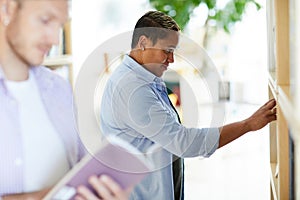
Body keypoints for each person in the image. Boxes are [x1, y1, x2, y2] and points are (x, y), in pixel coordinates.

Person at [100, 10, 277, 200]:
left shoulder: (144, 79)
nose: (172, 59)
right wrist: (248, 125)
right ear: (143, 43)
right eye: (167, 51)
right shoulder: (132, 89)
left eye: (173, 52)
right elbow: (183, 143)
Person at [0, 0, 131, 199]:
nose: (54, 39)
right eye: (45, 20)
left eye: (60, 25)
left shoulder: (60, 90)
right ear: (7, 9)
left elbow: (83, 174)